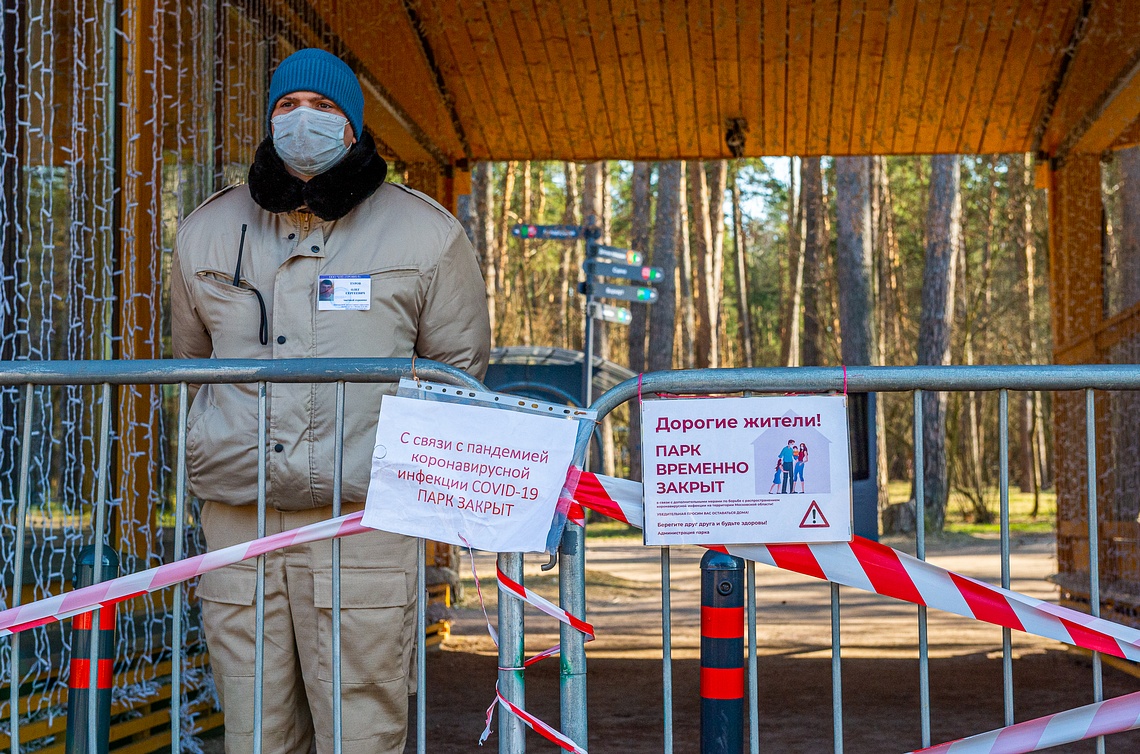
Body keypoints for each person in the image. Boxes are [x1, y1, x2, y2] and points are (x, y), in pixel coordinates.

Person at [171, 48, 491, 754]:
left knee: (362, 731)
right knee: (255, 731)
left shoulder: (426, 233)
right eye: (286, 106)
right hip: (240, 521)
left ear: (352, 125)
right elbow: (190, 363)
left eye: (322, 107)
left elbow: (458, 373)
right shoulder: (207, 230)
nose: (302, 120)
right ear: (268, 118)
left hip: (367, 523)